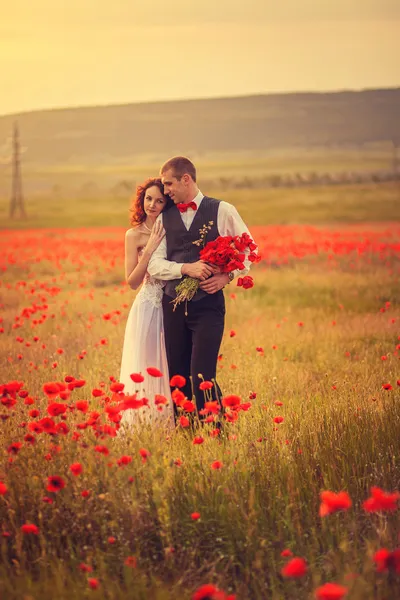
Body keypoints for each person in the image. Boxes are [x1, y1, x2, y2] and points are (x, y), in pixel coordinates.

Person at [148, 156, 254, 420]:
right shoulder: (165, 217)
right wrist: (186, 269)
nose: (166, 191)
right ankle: (187, 431)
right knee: (178, 377)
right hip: (172, 306)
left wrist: (227, 275)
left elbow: (250, 249)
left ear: (186, 179)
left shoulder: (222, 210)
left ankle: (215, 431)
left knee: (202, 374)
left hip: (208, 306)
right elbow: (154, 264)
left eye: (169, 184)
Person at [119, 178, 174, 430]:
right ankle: (144, 426)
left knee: (170, 362)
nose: (152, 205)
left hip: (173, 303)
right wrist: (149, 249)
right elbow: (132, 281)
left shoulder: (174, 229)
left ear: (167, 203)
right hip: (148, 305)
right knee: (148, 363)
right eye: (148, 198)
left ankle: (170, 423)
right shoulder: (134, 235)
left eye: (160, 200)